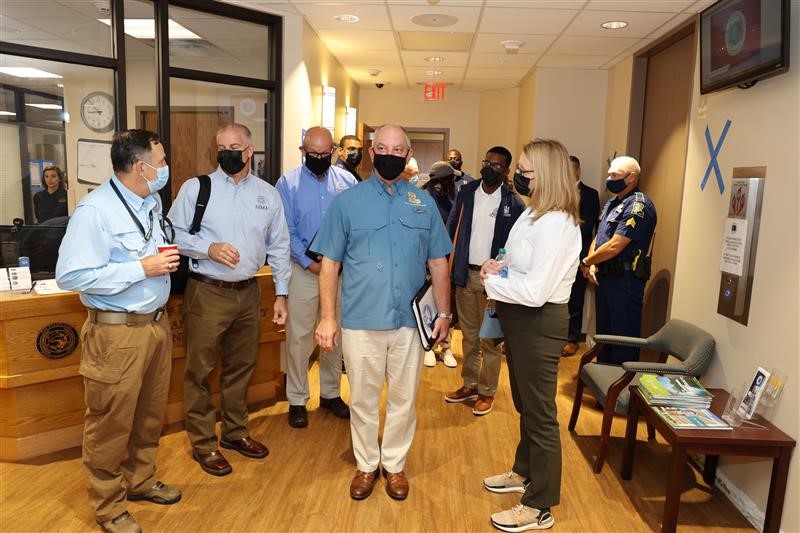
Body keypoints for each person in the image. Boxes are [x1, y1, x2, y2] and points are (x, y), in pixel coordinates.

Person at [314, 124, 453, 501]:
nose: (390, 153)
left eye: (398, 148)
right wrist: (328, 318)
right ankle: (365, 464)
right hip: (361, 320)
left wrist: (444, 314)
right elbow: (329, 264)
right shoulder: (347, 202)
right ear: (372, 152)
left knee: (404, 399)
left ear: (407, 155)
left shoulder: (423, 203)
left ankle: (393, 465)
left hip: (409, 324)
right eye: (382, 147)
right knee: (361, 398)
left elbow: (439, 262)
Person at [56, 129, 181, 533]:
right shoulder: (95, 210)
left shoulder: (150, 200)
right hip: (116, 335)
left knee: (148, 416)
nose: (165, 168)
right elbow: (71, 274)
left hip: (156, 327)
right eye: (160, 162)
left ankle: (141, 480)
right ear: (139, 166)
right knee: (110, 423)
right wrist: (139, 269)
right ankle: (109, 507)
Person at [168, 123, 291, 477]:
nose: (227, 152)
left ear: (250, 151)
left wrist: (280, 294)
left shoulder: (268, 194)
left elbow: (280, 247)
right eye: (221, 146)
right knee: (200, 371)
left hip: (248, 293)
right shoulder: (197, 189)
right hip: (207, 291)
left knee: (241, 367)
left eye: (234, 146)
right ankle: (203, 443)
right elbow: (171, 233)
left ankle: (235, 432)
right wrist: (209, 248)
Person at [479, 138, 581, 532]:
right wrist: (498, 264)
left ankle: (539, 505)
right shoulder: (534, 212)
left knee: (540, 416)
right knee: (526, 403)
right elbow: (515, 259)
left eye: (525, 172)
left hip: (539, 323)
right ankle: (524, 472)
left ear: (548, 174)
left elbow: (537, 290)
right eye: (519, 170)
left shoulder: (558, 224)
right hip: (520, 320)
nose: (518, 177)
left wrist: (491, 282)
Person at [276, 126, 357, 429]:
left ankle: (331, 393)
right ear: (303, 152)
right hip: (305, 271)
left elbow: (354, 225)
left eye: (325, 154)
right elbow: (287, 231)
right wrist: (312, 263)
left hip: (339, 273)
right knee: (298, 338)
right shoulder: (288, 184)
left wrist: (338, 263)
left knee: (334, 335)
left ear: (334, 150)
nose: (320, 159)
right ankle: (297, 398)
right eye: (313, 154)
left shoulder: (347, 181)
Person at [444, 146, 525, 416]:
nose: (489, 167)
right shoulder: (466, 192)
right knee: (468, 337)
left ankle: (487, 391)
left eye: (497, 165)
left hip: (495, 283)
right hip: (465, 276)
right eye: (486, 162)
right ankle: (469, 384)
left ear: (507, 171)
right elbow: (452, 227)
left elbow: (517, 248)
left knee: (490, 340)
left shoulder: (514, 203)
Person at [580, 156, 657, 365]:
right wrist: (593, 262)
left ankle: (620, 393)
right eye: (609, 174)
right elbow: (600, 236)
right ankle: (603, 393)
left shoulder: (638, 206)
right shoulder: (613, 203)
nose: (609, 179)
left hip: (625, 282)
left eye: (614, 175)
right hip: (605, 278)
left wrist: (586, 262)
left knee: (623, 341)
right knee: (604, 338)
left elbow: (615, 245)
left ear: (631, 177)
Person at [420, 161, 462, 368]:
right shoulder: (424, 198)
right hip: (429, 262)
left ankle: (446, 347)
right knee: (429, 303)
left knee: (447, 305)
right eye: (451, 178)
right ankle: (428, 346)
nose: (455, 181)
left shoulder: (453, 197)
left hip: (449, 259)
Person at [561, 155, 600, 357]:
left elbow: (587, 224)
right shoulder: (558, 192)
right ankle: (556, 336)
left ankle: (572, 338)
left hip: (579, 253)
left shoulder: (591, 194)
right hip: (558, 253)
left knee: (575, 298)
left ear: (577, 171)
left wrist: (564, 226)